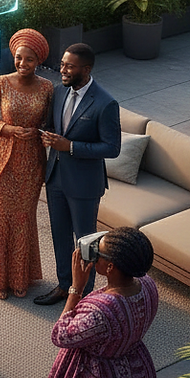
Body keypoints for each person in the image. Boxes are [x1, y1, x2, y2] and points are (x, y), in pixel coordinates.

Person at [33, 228, 158, 378]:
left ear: (110, 267)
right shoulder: (147, 284)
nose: (93, 257)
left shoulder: (101, 311)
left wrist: (76, 289)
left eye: (98, 254)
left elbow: (60, 335)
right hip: (137, 373)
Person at [36, 43, 120, 306]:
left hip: (84, 184)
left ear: (86, 69)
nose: (62, 70)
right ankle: (64, 286)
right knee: (60, 236)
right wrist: (49, 135)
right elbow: (55, 126)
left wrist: (70, 146)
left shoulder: (106, 103)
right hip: (56, 178)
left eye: (69, 66)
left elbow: (112, 148)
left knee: (85, 241)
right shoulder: (58, 92)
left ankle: (85, 294)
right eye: (62, 64)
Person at [0, 28, 53, 299]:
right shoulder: (1, 83)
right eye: (19, 58)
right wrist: (8, 129)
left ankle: (21, 279)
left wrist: (40, 132)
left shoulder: (47, 88)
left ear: (38, 62)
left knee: (23, 219)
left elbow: (50, 122)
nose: (22, 64)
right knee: (1, 217)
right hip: (3, 163)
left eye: (29, 59)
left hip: (31, 163)